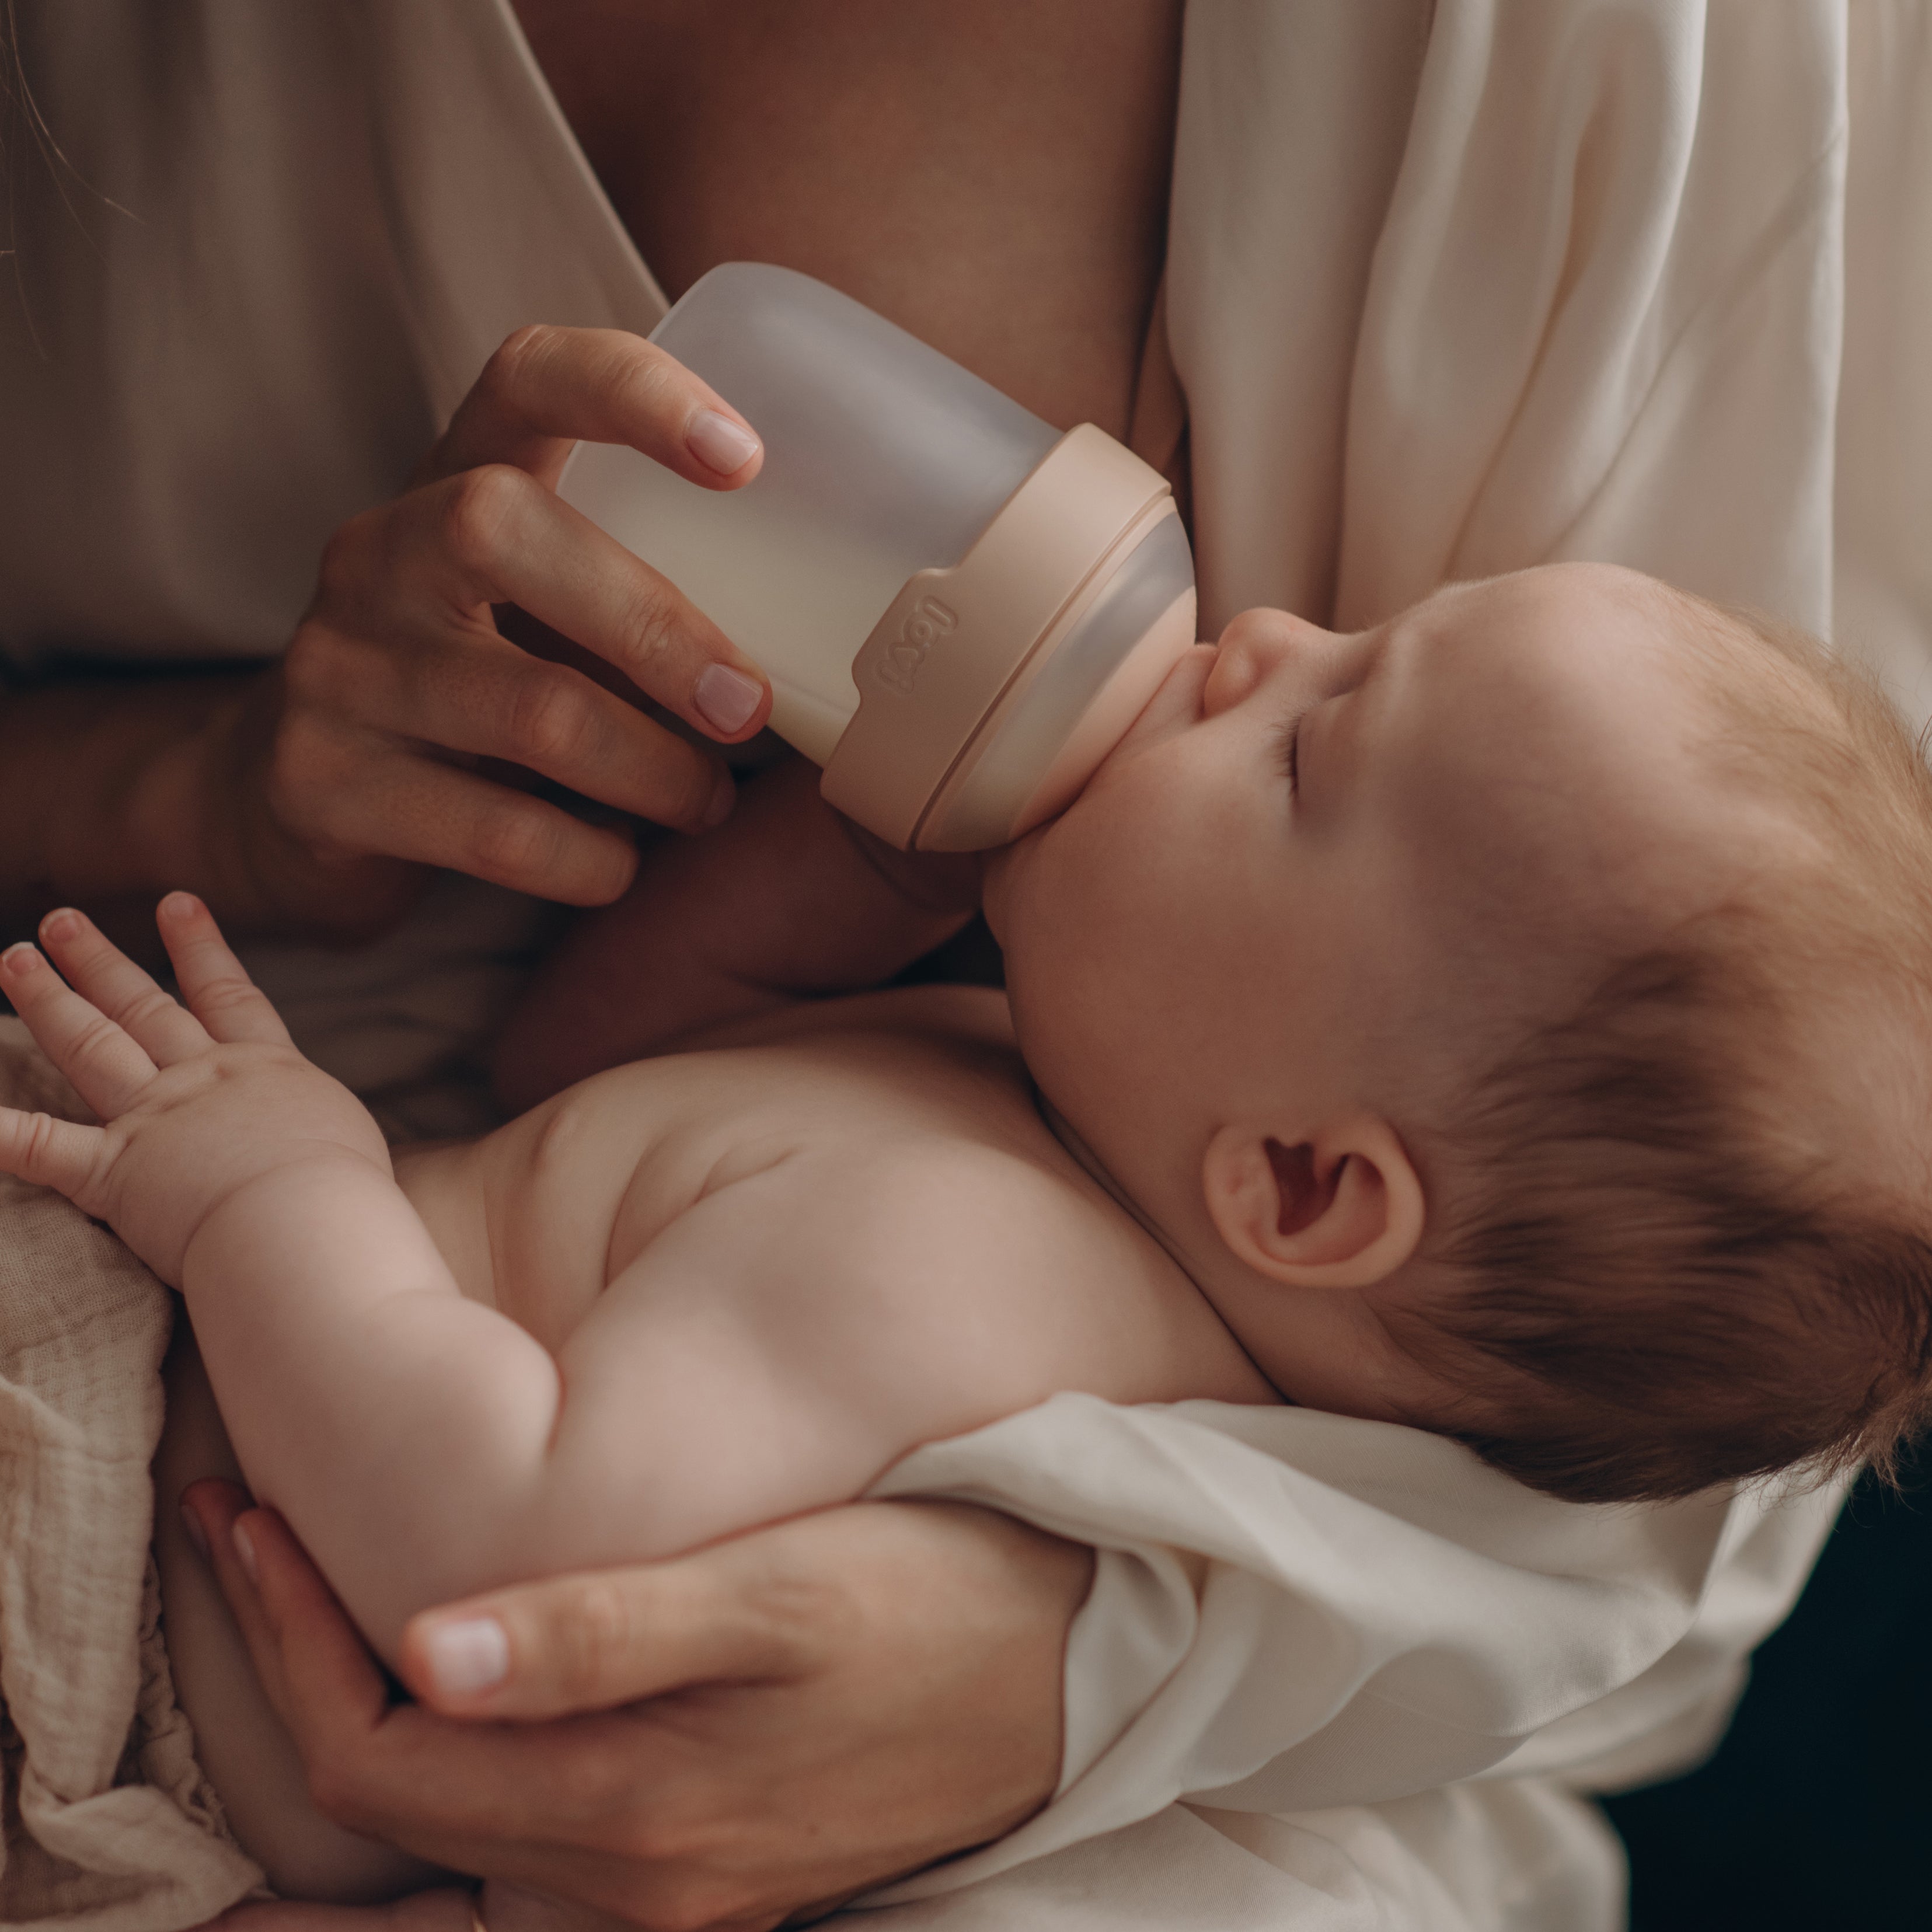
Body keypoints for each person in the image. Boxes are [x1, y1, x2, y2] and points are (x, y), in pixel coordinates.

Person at [2, 4, 1925, 1930]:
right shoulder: (1031, 1100)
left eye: (1309, 750)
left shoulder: (956, 1276)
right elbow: (580, 1081)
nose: (1267, 640)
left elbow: (492, 1564)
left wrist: (267, 1198)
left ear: (1302, 1185)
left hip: (106, 1620)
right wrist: (847, 868)